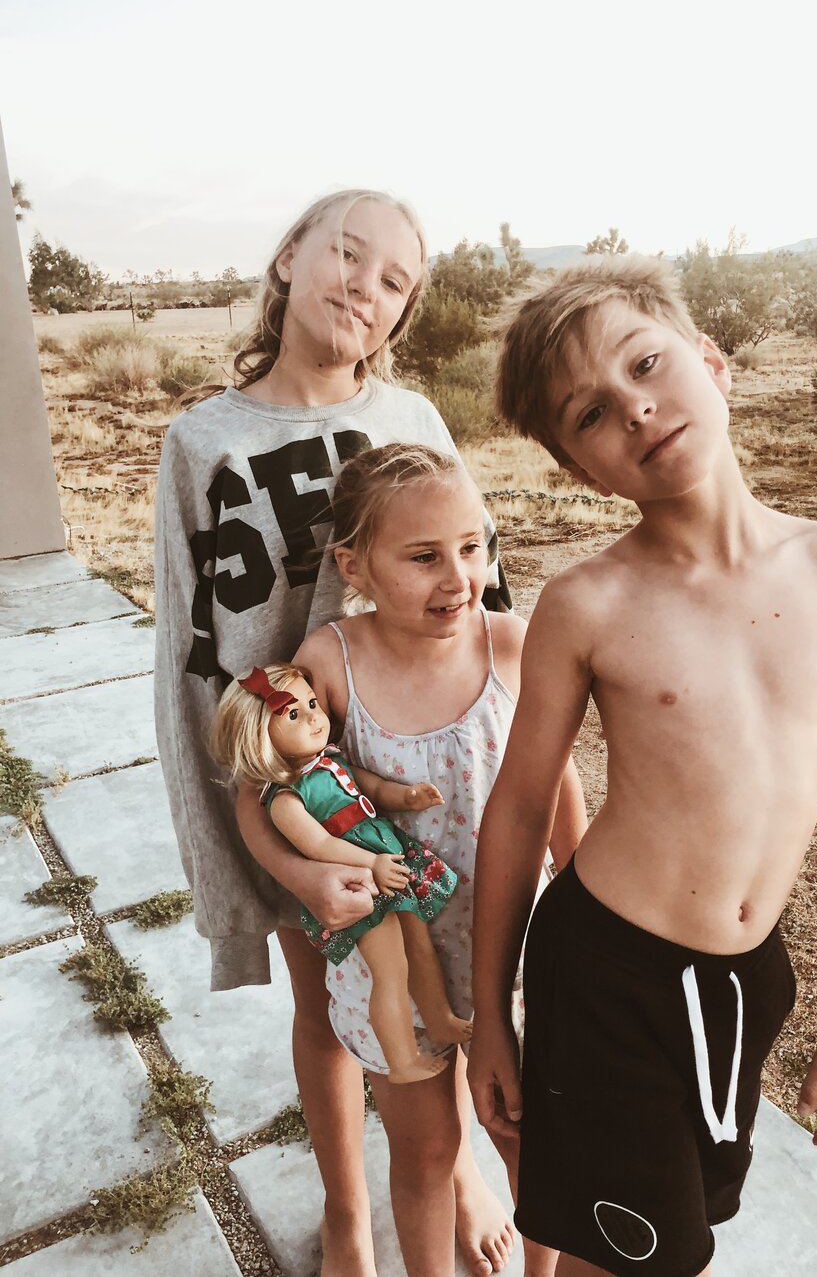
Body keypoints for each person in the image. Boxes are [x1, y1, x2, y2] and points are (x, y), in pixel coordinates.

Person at [469, 254, 817, 1277]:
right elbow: (514, 812)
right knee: (637, 1260)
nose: (632, 408)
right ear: (581, 468)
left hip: (745, 981)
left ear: (711, 363)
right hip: (606, 978)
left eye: (646, 364)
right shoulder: (587, 604)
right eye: (589, 413)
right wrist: (490, 1015)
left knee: (684, 1232)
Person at [153, 189, 515, 1276]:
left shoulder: (413, 422)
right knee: (330, 999)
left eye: (393, 278)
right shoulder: (204, 439)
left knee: (442, 985)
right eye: (346, 253)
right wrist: (225, 822)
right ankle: (349, 1211)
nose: (364, 283)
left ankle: (448, 1170)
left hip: (418, 762)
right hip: (301, 786)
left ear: (402, 313)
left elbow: (479, 580)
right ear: (286, 259)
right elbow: (188, 639)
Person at [271, 441, 584, 1277]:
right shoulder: (330, 664)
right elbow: (265, 788)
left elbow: (558, 788)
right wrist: (306, 874)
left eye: (473, 546)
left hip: (514, 951)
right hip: (396, 969)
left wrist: (588, 906)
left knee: (526, 1139)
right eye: (423, 556)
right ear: (354, 563)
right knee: (424, 1150)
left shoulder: (515, 644)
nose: (459, 577)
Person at [211, 662, 470, 1083]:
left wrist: (408, 796)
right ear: (258, 736)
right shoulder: (285, 799)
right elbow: (320, 846)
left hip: (387, 864)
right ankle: (401, 1059)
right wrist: (372, 863)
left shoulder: (331, 762)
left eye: (312, 704)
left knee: (420, 948)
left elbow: (372, 788)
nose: (315, 717)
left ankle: (439, 1019)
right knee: (390, 970)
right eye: (293, 715)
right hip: (361, 883)